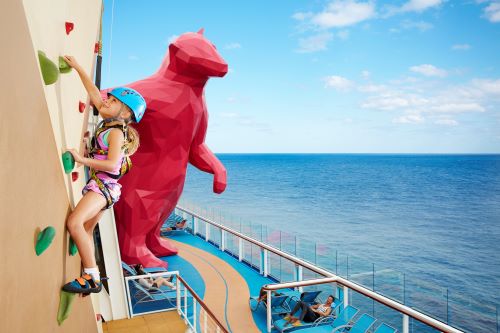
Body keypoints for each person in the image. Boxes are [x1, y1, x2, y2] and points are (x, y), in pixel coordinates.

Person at [61, 55, 146, 294]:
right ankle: (89, 277)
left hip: (104, 186)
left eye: (113, 100)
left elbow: (112, 165)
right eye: (108, 98)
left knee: (74, 223)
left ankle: (91, 279)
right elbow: (93, 92)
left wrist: (81, 159)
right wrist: (78, 66)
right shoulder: (109, 122)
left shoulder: (117, 132)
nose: (106, 101)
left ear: (126, 111)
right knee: (86, 230)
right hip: (106, 188)